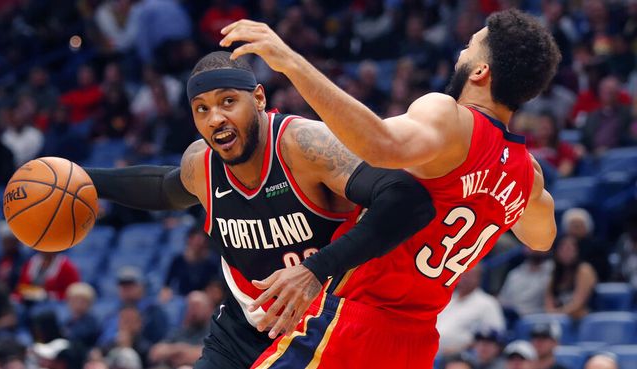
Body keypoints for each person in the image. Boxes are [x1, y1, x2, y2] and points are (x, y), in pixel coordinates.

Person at [220, 8, 559, 368]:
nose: (460, 53)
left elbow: (379, 145)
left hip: (355, 323)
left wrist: (290, 62)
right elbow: (542, 238)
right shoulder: (527, 174)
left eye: (469, 47)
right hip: (416, 344)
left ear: (480, 71)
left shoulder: (450, 118)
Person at [85, 50, 435, 369]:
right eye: (201, 109)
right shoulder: (201, 164)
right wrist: (84, 179)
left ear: (258, 99)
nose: (215, 119)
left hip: (323, 328)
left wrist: (314, 270)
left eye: (227, 102)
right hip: (242, 332)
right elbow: (164, 189)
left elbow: (408, 200)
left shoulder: (302, 145)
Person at [437, 266, 506, 354]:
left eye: (470, 275)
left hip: (460, 357)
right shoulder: (446, 298)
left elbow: (495, 337)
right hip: (429, 350)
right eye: (463, 274)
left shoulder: (487, 303)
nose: (465, 278)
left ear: (479, 278)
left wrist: (461, 350)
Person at [545, 236, 597, 319]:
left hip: (582, 319)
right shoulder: (554, 272)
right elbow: (548, 301)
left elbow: (578, 303)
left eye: (569, 249)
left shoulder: (585, 270)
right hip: (559, 319)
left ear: (577, 251)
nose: (566, 252)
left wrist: (557, 315)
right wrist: (552, 314)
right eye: (562, 249)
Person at [498, 248, 554, 316]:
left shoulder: (553, 271)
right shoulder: (514, 274)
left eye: (538, 245)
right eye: (530, 245)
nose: (535, 249)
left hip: (538, 319)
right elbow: (503, 300)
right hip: (512, 317)